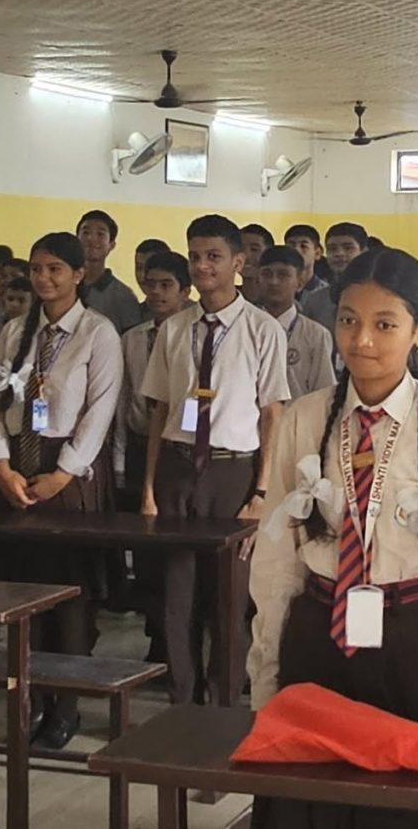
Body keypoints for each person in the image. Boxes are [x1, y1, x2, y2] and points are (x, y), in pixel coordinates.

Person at [247, 248, 418, 829]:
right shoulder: (305, 419)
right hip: (318, 636)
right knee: (310, 801)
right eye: (348, 319)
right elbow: (277, 557)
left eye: (385, 324)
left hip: (414, 641)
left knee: (402, 806)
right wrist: (265, 667)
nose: (361, 339)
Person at [141, 214, 291, 706]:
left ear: (238, 263)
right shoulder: (174, 329)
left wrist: (262, 491)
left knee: (229, 598)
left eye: (214, 257)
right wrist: (149, 486)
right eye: (195, 257)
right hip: (178, 467)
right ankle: (182, 702)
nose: (202, 266)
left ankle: (223, 703)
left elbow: (271, 414)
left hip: (234, 472)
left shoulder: (262, 329)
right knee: (176, 597)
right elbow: (161, 409)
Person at [0, 230, 125, 748]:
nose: (43, 279)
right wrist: (0, 464)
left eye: (55, 270)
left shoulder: (96, 332)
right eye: (36, 269)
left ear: (78, 275)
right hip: (19, 468)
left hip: (70, 475)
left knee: (70, 600)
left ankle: (66, 705)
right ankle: (31, 699)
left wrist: (63, 473)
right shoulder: (15, 331)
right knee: (28, 596)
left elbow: (100, 410)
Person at [119, 250, 193, 514]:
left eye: (166, 285)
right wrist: (118, 457)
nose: (156, 292)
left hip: (177, 447)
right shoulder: (132, 338)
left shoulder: (195, 337)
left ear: (185, 292)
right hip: (138, 443)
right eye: (151, 284)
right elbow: (123, 399)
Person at [255, 246, 336, 398]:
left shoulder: (316, 335)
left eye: (283, 275)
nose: (273, 282)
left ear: (299, 283)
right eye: (267, 274)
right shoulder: (244, 328)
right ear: (258, 280)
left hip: (299, 411)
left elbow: (324, 392)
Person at [78, 209, 147, 333]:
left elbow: (132, 339)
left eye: (100, 234)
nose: (91, 238)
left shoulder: (123, 296)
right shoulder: (65, 286)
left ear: (112, 245)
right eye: (86, 232)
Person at [299, 221, 367, 323]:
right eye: (332, 249)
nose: (339, 253)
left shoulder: (377, 297)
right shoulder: (315, 301)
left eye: (348, 248)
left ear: (363, 252)